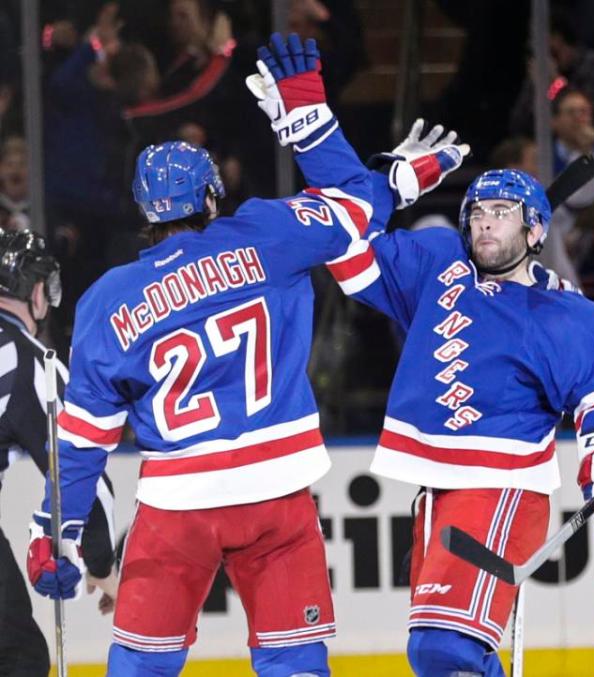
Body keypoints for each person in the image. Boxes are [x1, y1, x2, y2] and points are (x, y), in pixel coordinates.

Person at [25, 34, 378, 677]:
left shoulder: (109, 297)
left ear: (143, 209)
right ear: (212, 196)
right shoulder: (269, 232)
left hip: (178, 503)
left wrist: (55, 530)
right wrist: (307, 117)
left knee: (140, 667)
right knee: (296, 664)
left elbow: (83, 439)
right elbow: (361, 204)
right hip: (277, 493)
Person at [282, 107, 594, 672]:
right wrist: (379, 178)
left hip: (501, 486)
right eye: (476, 212)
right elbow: (343, 237)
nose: (484, 223)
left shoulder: (567, 314)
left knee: (445, 648)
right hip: (436, 491)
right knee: (434, 656)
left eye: (501, 213)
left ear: (536, 230)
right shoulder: (438, 266)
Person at [0, 230, 115, 676]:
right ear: (35, 292)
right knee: (19, 659)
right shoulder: (28, 360)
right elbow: (78, 468)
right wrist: (103, 566)